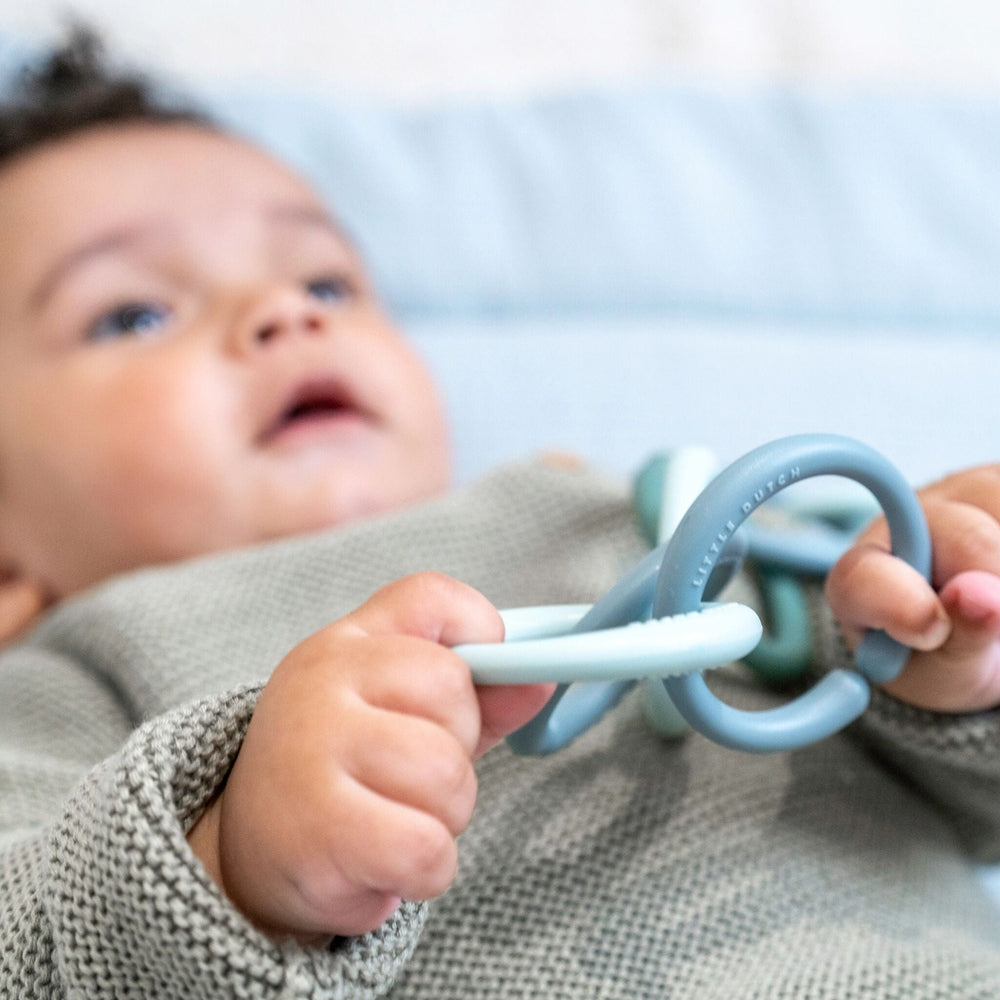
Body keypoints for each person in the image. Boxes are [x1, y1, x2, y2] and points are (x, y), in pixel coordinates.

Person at [2, 29, 1000, 999]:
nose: (286, 313)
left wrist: (947, 658)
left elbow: (969, 812)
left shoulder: (614, 518)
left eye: (325, 280)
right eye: (132, 314)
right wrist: (231, 860)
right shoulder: (67, 674)